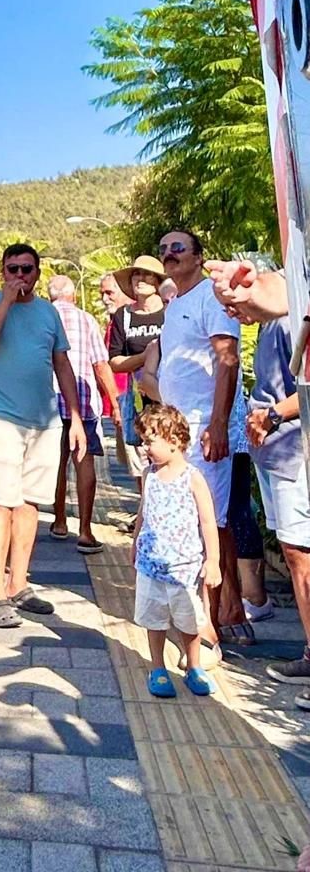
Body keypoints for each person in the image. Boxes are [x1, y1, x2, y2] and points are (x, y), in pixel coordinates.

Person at [205, 259, 310, 696]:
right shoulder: (271, 328)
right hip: (275, 453)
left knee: (301, 555)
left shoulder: (290, 321)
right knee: (294, 551)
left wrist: (271, 415)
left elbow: (305, 388)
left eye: (239, 300)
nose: (234, 312)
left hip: (292, 454)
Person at [0, 244, 86, 627]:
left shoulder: (48, 312)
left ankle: (20, 583)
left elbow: (62, 363)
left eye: (27, 269)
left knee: (30, 503)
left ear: (38, 273)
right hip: (3, 416)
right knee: (2, 500)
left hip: (45, 420)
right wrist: (4, 301)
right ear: (4, 271)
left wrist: (76, 417)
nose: (20, 275)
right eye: (13, 268)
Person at [153, 228, 244, 644]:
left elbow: (228, 360)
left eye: (178, 248)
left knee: (214, 521)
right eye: (164, 250)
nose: (169, 255)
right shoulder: (176, 304)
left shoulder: (212, 297)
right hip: (178, 431)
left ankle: (216, 618)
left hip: (207, 429)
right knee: (193, 520)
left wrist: (219, 423)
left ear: (198, 256)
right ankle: (204, 613)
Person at [132, 403, 221, 697]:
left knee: (189, 620)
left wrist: (214, 560)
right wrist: (135, 543)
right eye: (144, 442)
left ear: (174, 440)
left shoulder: (192, 477)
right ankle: (157, 667)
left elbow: (208, 521)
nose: (145, 449)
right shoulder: (149, 476)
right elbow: (143, 512)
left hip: (184, 568)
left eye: (149, 441)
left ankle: (193, 665)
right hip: (151, 565)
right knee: (153, 618)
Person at [47, 274, 120, 554]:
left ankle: (59, 521)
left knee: (56, 462)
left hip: (48, 402)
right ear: (73, 296)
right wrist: (114, 402)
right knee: (83, 461)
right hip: (83, 402)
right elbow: (101, 364)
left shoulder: (42, 317)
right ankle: (86, 530)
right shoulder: (86, 319)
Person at [108, 255, 167, 485]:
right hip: (140, 401)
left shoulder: (170, 310)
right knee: (144, 460)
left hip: (170, 398)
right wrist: (144, 357)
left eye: (146, 274)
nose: (140, 279)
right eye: (136, 274)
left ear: (158, 281)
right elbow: (114, 361)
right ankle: (146, 513)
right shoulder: (124, 316)